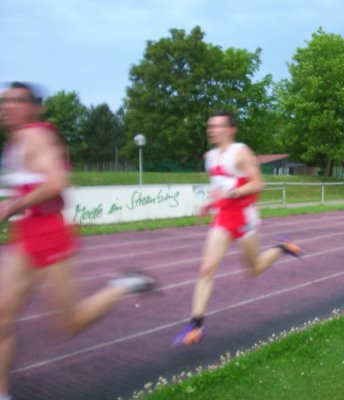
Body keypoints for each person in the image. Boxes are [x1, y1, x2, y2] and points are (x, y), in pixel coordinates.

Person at [0, 82, 155, 400]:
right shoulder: (14, 143)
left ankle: (122, 286)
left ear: (33, 108)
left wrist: (13, 206)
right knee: (3, 317)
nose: (7, 107)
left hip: (50, 234)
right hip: (26, 233)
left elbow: (57, 182)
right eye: (4, 101)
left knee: (67, 324)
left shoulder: (35, 136)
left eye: (16, 101)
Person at [172, 110, 302, 346]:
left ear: (231, 129)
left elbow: (258, 183)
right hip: (223, 217)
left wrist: (232, 193)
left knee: (254, 270)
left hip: (244, 217)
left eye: (217, 126)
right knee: (206, 268)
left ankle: (281, 246)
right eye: (210, 126)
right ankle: (196, 324)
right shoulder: (210, 157)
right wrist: (209, 203)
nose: (212, 130)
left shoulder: (241, 153)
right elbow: (219, 187)